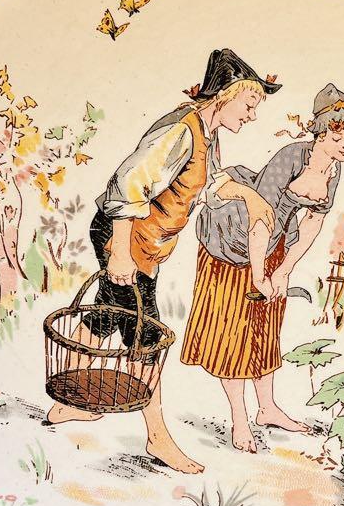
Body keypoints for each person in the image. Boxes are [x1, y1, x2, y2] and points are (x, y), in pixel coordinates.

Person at [46, 49, 281, 475]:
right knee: (148, 337)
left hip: (143, 245)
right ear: (225, 96)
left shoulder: (207, 133)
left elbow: (208, 185)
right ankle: (157, 437)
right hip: (124, 238)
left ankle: (68, 405)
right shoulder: (180, 132)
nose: (251, 116)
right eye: (249, 105)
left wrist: (248, 195)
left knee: (104, 317)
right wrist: (120, 253)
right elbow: (127, 183)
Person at [181, 84, 344, 452]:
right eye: (337, 136)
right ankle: (239, 418)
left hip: (275, 245)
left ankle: (267, 408)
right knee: (233, 332)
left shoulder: (334, 170)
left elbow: (313, 221)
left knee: (265, 328)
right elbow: (260, 218)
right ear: (320, 133)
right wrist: (258, 274)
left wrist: (283, 270)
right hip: (236, 243)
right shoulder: (290, 158)